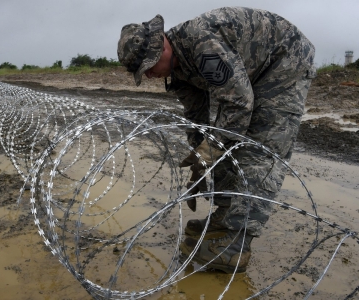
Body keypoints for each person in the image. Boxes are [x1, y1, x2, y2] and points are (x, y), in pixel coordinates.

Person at [117, 7, 315, 273]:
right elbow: (198, 118)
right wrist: (199, 160)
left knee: (260, 148)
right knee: (216, 138)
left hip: (283, 60)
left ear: (161, 48)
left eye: (148, 68)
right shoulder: (177, 70)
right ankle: (225, 214)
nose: (149, 76)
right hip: (249, 73)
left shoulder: (203, 46)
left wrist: (209, 150)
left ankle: (236, 245)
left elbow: (239, 102)